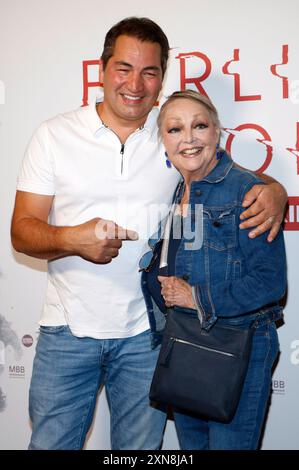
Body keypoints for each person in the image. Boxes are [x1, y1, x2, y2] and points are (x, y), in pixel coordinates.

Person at [10, 17, 286, 450]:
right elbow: (22, 232)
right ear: (101, 69)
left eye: (150, 71)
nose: (135, 84)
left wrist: (276, 190)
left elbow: (228, 174)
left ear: (162, 77)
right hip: (68, 330)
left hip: (150, 336)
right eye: (123, 68)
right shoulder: (54, 134)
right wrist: (72, 239)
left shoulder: (172, 129)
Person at [140, 89, 287, 450]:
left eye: (199, 126)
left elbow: (270, 282)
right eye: (175, 129)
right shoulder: (179, 191)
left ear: (217, 132)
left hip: (235, 346)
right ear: (164, 140)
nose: (188, 138)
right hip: (187, 343)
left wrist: (197, 297)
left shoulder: (247, 191)